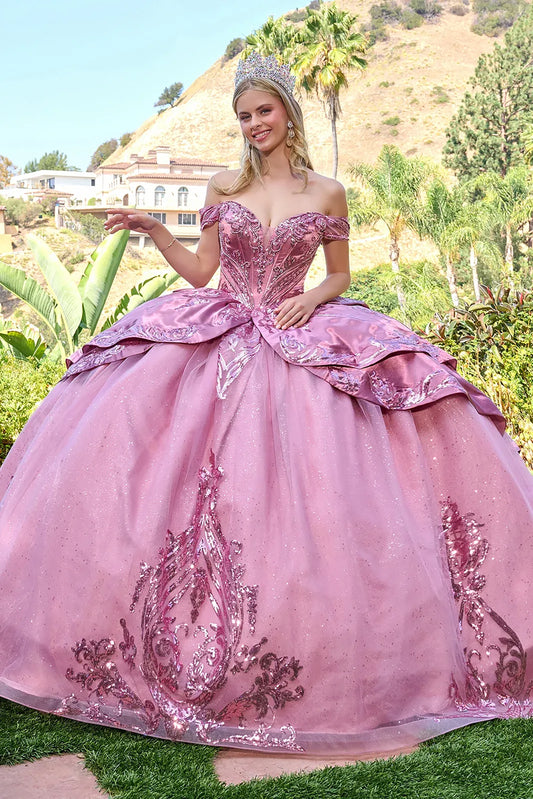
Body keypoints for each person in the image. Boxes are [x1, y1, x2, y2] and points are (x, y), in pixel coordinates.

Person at [1, 51, 533, 759]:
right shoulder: (224, 186)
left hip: (295, 328)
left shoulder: (329, 192)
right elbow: (202, 271)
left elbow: (339, 275)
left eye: (263, 111)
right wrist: (153, 230)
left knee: (317, 482)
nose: (254, 124)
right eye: (244, 116)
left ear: (288, 112)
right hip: (222, 327)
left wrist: (311, 299)